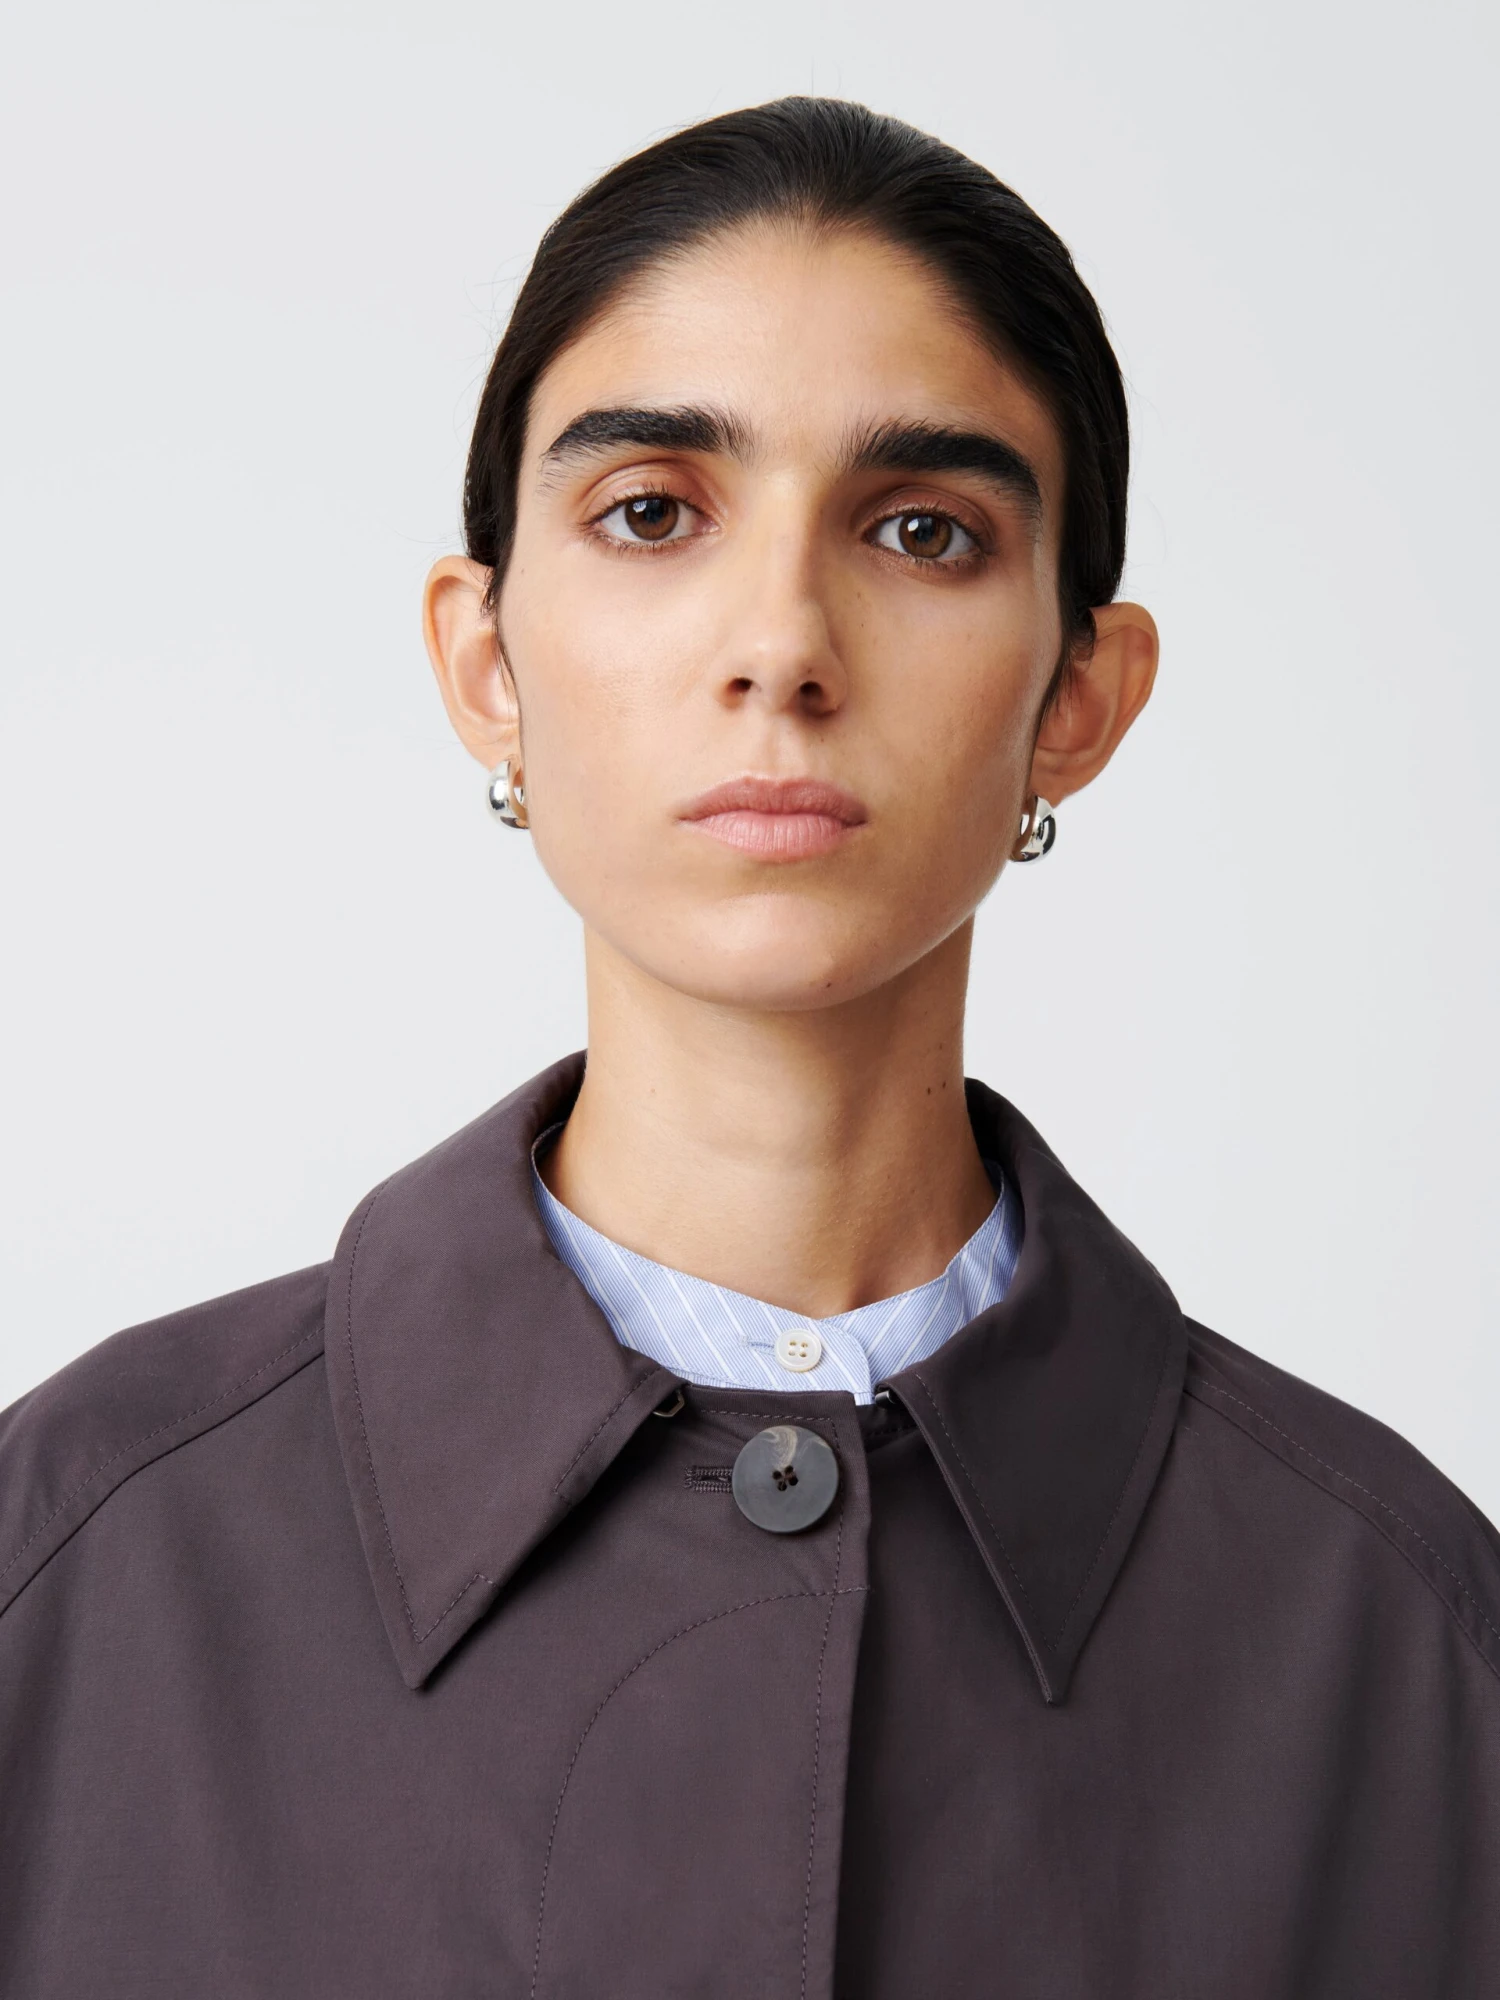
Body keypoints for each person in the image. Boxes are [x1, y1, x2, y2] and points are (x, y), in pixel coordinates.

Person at [1, 97, 1496, 1999]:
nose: (782, 643)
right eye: (651, 513)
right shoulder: (75, 1562)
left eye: (923, 531)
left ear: (1080, 696)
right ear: (485, 661)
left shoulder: (1407, 1643)